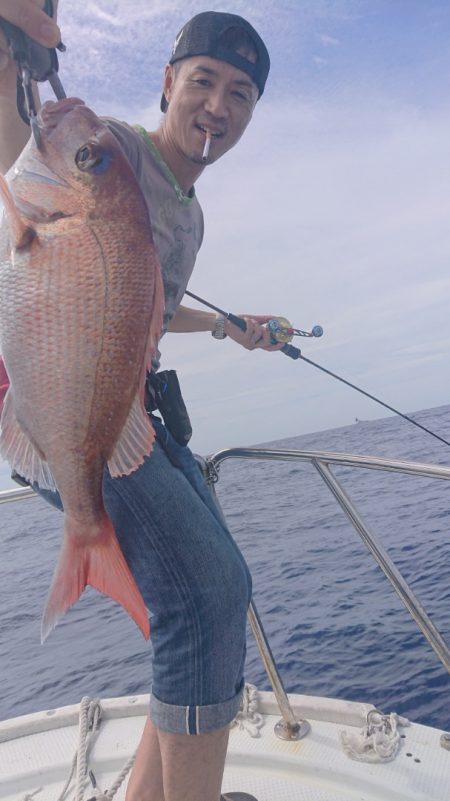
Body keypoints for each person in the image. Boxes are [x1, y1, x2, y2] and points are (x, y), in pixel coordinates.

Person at [0, 4, 281, 800]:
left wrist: (226, 326)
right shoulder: (110, 152)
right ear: (166, 84)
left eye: (240, 94)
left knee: (217, 588)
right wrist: (11, 35)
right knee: (205, 594)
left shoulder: (189, 214)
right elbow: (16, 140)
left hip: (125, 407)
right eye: (203, 82)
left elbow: (142, 301)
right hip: (60, 401)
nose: (218, 107)